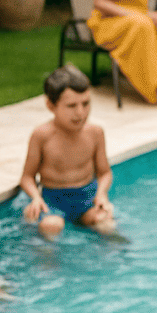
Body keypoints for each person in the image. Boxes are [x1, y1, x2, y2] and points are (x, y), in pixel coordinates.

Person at [17, 63, 116, 239]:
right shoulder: (42, 136)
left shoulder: (95, 133)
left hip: (87, 199)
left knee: (106, 224)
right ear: (51, 106)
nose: (80, 112)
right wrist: (35, 198)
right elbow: (27, 177)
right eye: (71, 106)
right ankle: (48, 264)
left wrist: (101, 195)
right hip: (53, 200)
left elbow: (105, 172)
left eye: (86, 104)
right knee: (51, 226)